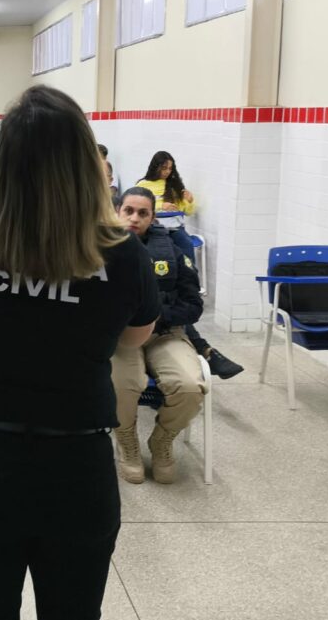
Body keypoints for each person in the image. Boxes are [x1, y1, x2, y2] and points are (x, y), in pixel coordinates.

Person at [0, 87, 160, 619]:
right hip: (76, 469)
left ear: (3, 163)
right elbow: (135, 338)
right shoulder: (123, 251)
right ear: (86, 160)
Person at [111, 187, 207, 485]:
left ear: (152, 218)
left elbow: (193, 305)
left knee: (190, 386)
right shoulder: (99, 250)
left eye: (143, 213)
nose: (134, 218)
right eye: (128, 211)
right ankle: (127, 442)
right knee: (121, 385)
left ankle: (162, 440)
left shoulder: (173, 252)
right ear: (117, 212)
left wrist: (153, 315)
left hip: (164, 333)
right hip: (119, 337)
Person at [137, 151, 196, 261]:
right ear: (156, 166)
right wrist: (160, 206)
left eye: (170, 168)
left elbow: (188, 212)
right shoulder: (143, 184)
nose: (167, 171)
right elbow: (138, 207)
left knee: (187, 244)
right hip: (152, 228)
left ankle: (189, 270)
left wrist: (190, 201)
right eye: (164, 168)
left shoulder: (175, 185)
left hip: (174, 228)